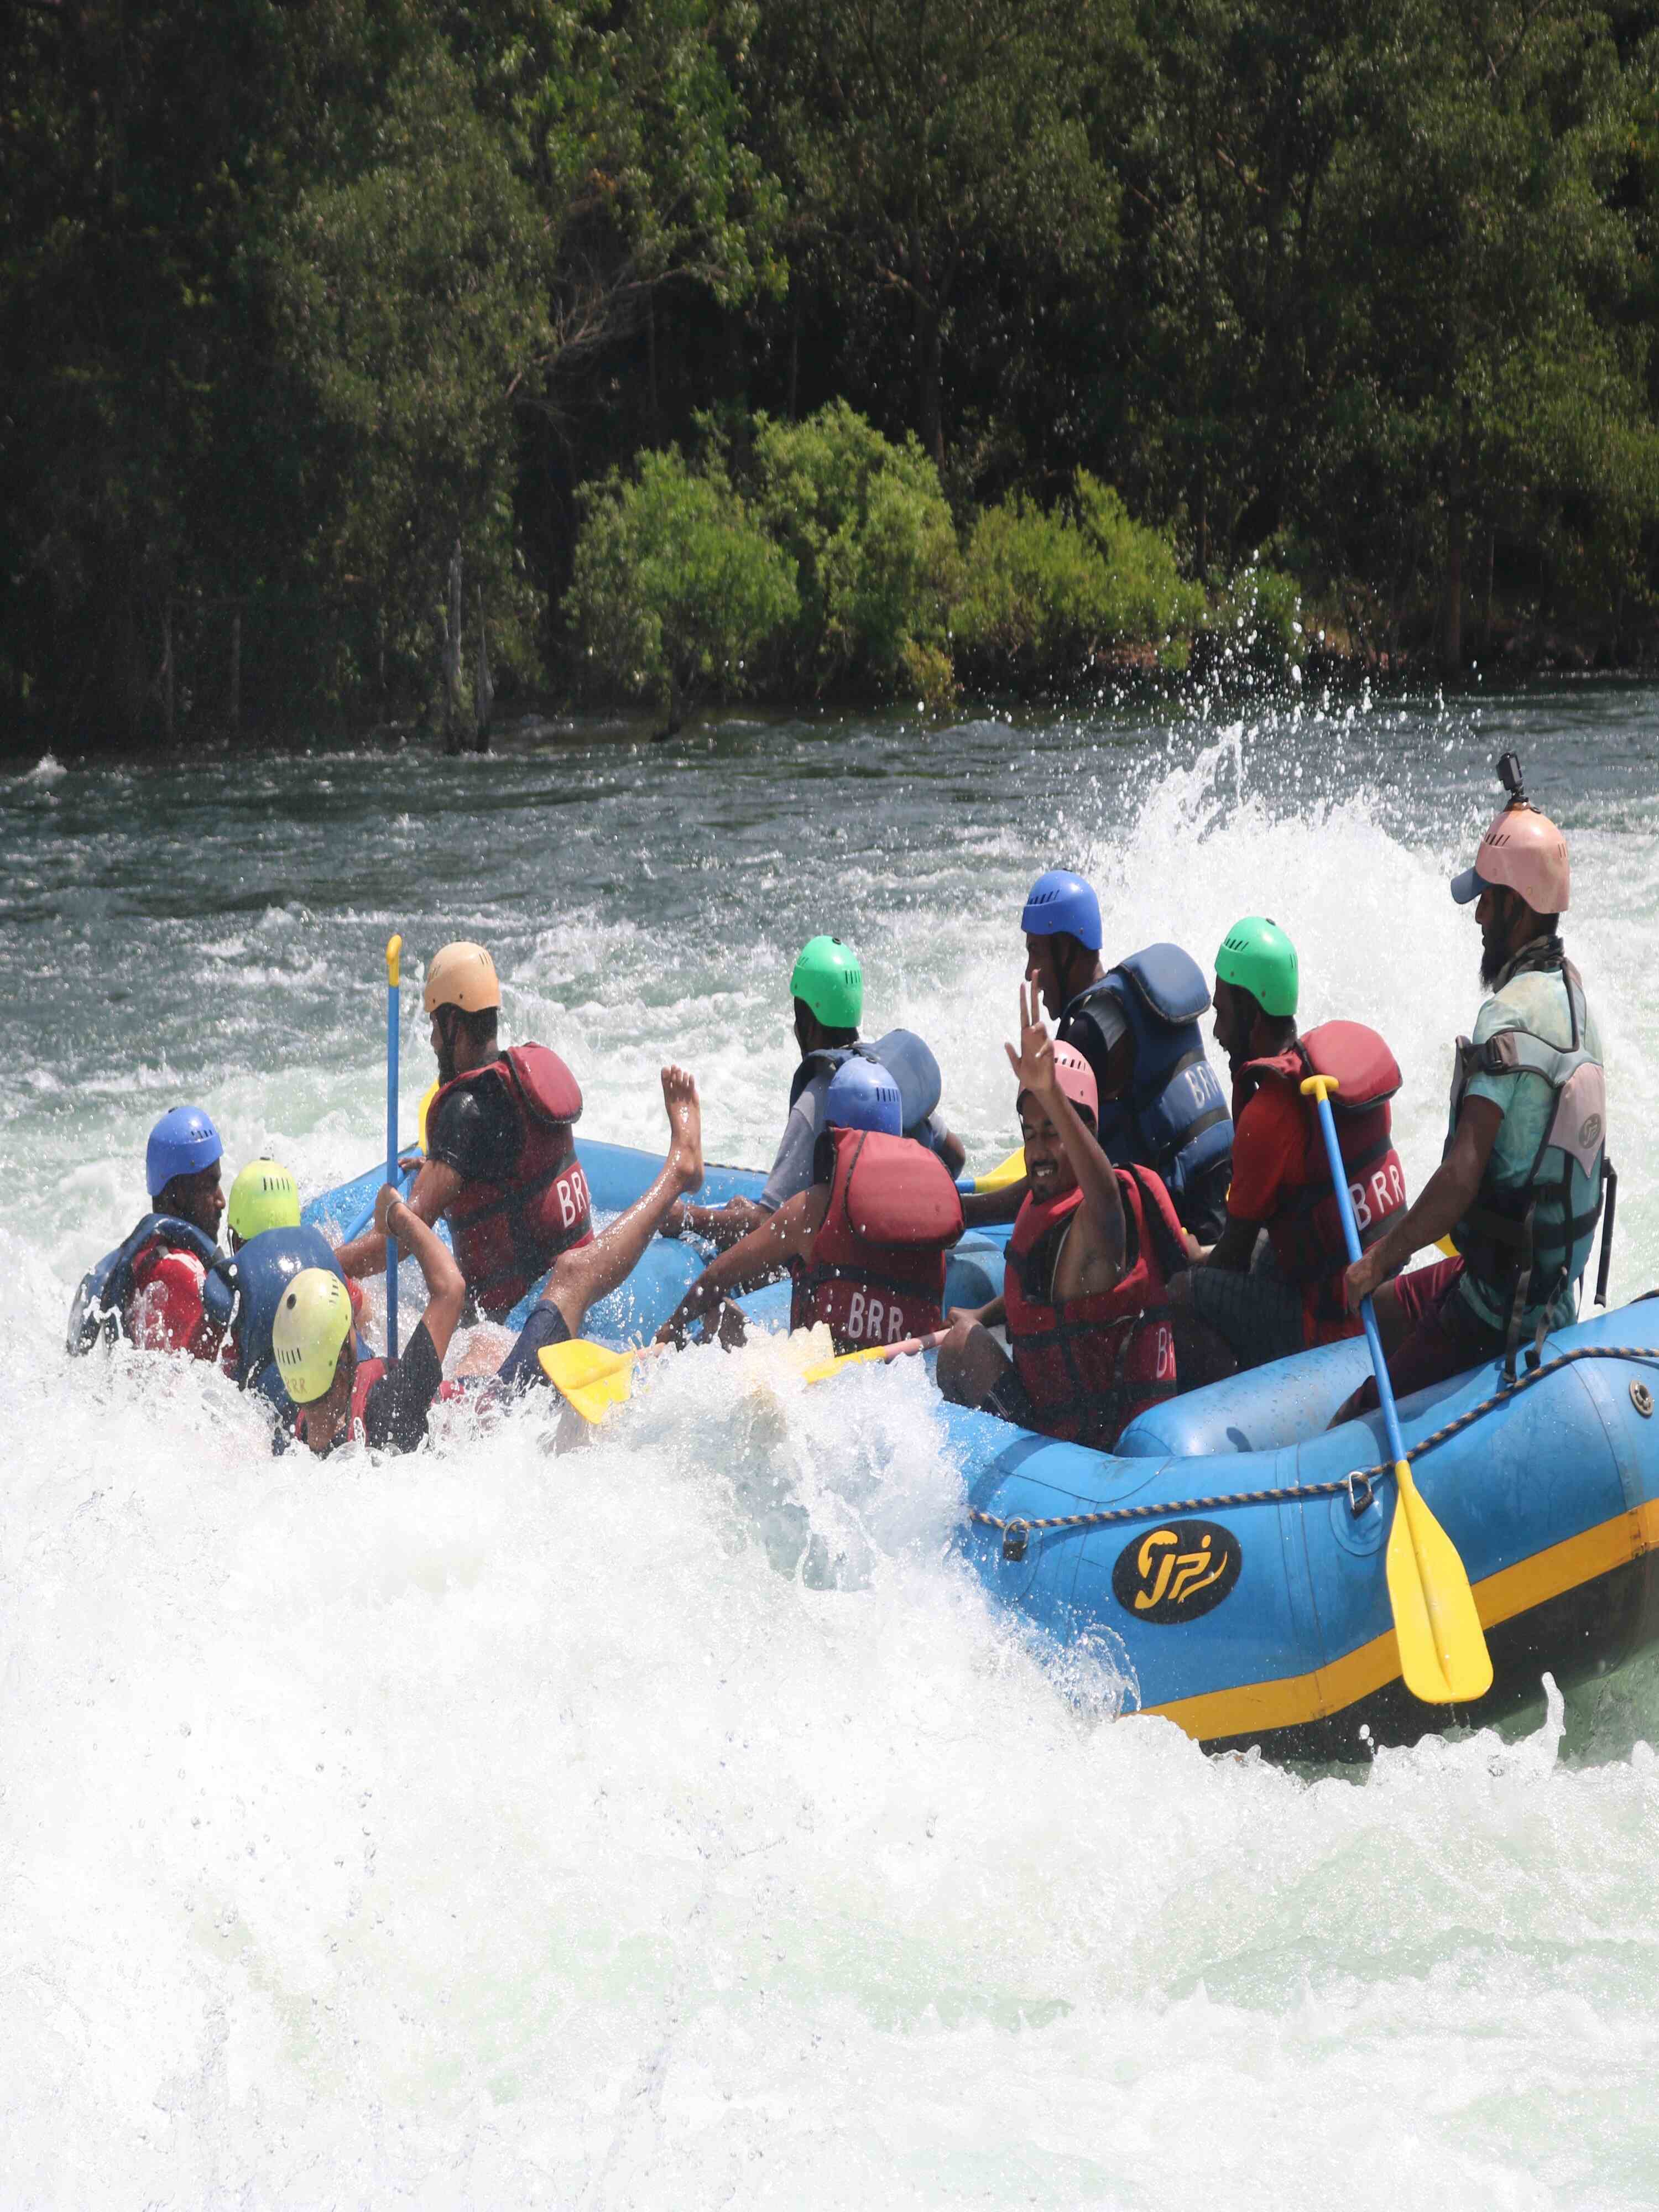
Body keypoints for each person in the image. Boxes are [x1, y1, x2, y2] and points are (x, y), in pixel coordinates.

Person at [1333, 758, 1608, 1421]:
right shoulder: (1573, 996)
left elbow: (1460, 1179)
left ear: (1517, 906)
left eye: (1489, 898)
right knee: (1391, 1310)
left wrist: (1378, 1260)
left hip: (1496, 1311)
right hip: (1544, 1291)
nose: (1479, 914)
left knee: (1356, 1420)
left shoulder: (1507, 1016)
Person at [280, 1068, 706, 1452]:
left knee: (479, 1344)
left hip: (459, 1431)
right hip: (505, 1415)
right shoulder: (393, 1406)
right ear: (341, 1358)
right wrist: (399, 1217)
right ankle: (678, 1172)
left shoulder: (301, 1433)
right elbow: (450, 1289)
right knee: (572, 1275)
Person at [937, 988, 1192, 1451]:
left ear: (1087, 1130)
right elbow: (1046, 1302)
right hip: (1087, 1425)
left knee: (961, 1350)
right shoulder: (1059, 1213)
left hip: (1091, 1458)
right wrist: (985, 1312)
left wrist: (1050, 1091)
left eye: (1053, 1132)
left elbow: (1105, 1205)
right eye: (1030, 1135)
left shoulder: (1098, 1220)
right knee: (967, 1333)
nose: (1037, 1152)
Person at [1172, 917, 1408, 1371]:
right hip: (1375, 1294)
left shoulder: (1269, 1115)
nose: (1218, 1033)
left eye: (1223, 1013)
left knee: (1180, 1294)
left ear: (1253, 1015)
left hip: (1326, 1323)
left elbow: (1232, 1260)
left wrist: (1188, 1268)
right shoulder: (1336, 1085)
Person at [333, 940, 595, 1323]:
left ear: (453, 1023)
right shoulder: (519, 1082)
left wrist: (325, 1264)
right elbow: (510, 1167)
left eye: (434, 1025)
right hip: (577, 1289)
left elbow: (402, 1240)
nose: (432, 1040)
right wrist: (436, 1166)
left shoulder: (466, 1110)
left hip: (518, 1322)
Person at [665, 935, 965, 1249]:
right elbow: (955, 1157)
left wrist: (689, 1216)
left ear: (807, 1025)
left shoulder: (819, 1098)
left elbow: (769, 1228)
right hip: (905, 1251)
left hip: (846, 1265)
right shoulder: (883, 1077)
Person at [655, 1058, 963, 1354]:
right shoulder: (931, 1217)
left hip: (817, 1384)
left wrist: (670, 1332)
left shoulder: (815, 1208)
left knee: (718, 1314)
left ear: (832, 1136)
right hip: (900, 1386)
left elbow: (715, 1279)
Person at [1016, 870, 1233, 1242]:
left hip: (1179, 1224)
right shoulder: (1139, 999)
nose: (1028, 972)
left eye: (1035, 951)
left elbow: (1054, 1173)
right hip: (1223, 1191)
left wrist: (968, 1209)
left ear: (1066, 950)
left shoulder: (1086, 1034)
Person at [203, 1157, 368, 1408]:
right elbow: (364, 1313)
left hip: (281, 1412)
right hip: (350, 1392)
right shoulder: (323, 1262)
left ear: (236, 1239)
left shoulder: (234, 1288)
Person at [67, 1106, 227, 1360]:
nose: (221, 1202)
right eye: (211, 1185)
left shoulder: (137, 1262)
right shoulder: (183, 1273)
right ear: (178, 1194)